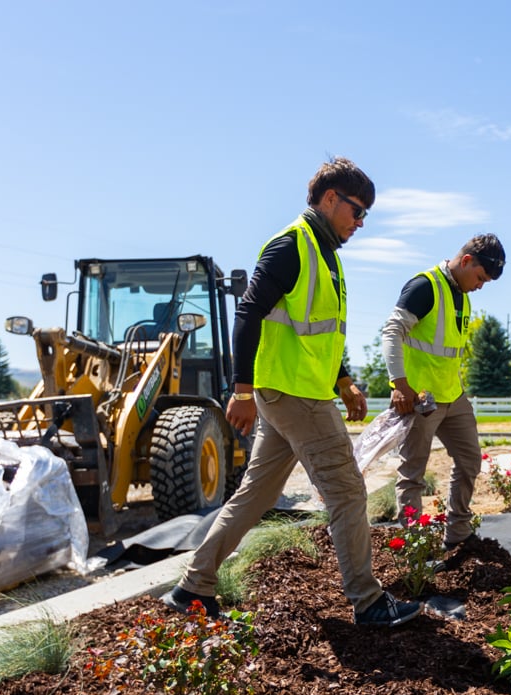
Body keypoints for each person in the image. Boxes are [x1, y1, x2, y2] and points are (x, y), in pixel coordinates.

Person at [163, 157, 421, 627]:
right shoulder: (291, 247)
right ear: (329, 199)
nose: (360, 222)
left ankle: (192, 586)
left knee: (255, 495)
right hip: (293, 395)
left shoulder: (326, 256)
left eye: (365, 214)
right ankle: (368, 601)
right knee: (347, 492)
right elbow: (247, 315)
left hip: (295, 392)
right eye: (356, 210)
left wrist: (343, 380)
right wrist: (241, 390)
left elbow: (321, 333)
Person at [380, 234, 505, 550]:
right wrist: (400, 385)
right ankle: (416, 547)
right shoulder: (424, 287)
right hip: (421, 400)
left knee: (470, 460)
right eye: (479, 277)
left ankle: (458, 534)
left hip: (453, 397)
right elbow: (392, 331)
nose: (480, 286)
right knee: (413, 475)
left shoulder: (462, 295)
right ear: (466, 261)